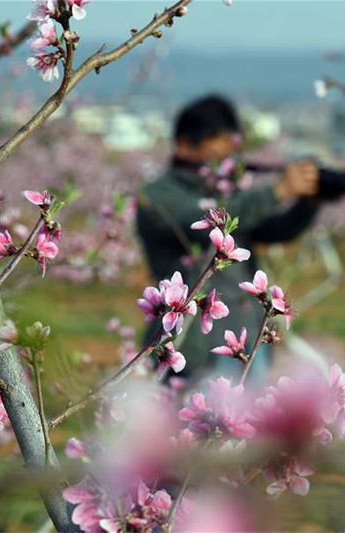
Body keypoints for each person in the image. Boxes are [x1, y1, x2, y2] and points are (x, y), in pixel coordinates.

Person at [135, 95, 322, 384]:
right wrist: (278, 192)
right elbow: (204, 220)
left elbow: (275, 230)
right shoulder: (157, 196)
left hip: (248, 341)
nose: (227, 161)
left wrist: (310, 202)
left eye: (230, 152)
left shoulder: (229, 195)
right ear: (184, 144)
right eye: (216, 151)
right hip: (195, 349)